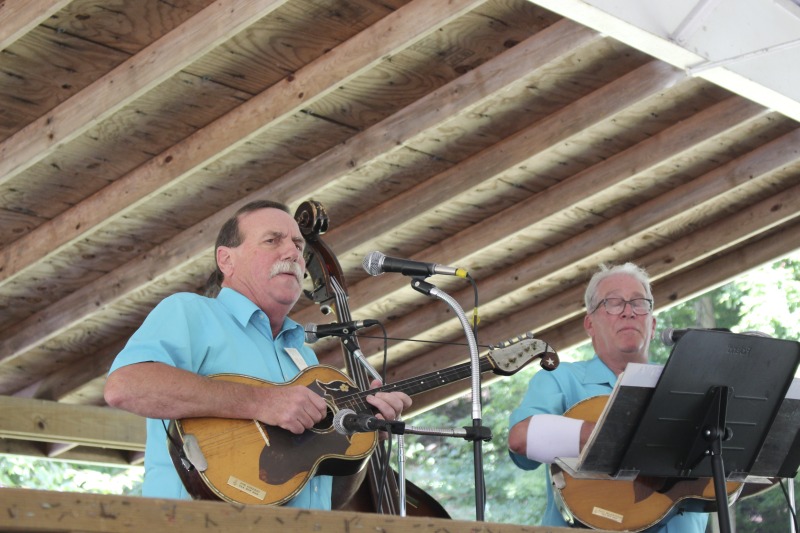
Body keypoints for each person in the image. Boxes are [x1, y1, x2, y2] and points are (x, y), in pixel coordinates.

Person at [104, 199, 411, 509]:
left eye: (297, 244)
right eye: (272, 240)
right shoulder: (191, 312)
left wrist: (364, 433)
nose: (293, 252)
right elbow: (126, 386)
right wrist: (263, 402)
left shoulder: (306, 359)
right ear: (226, 260)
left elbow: (326, 496)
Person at [507, 262, 708, 532]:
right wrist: (620, 435)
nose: (628, 312)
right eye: (613, 303)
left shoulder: (689, 387)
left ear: (652, 323)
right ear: (589, 324)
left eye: (639, 303)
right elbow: (520, 438)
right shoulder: (561, 379)